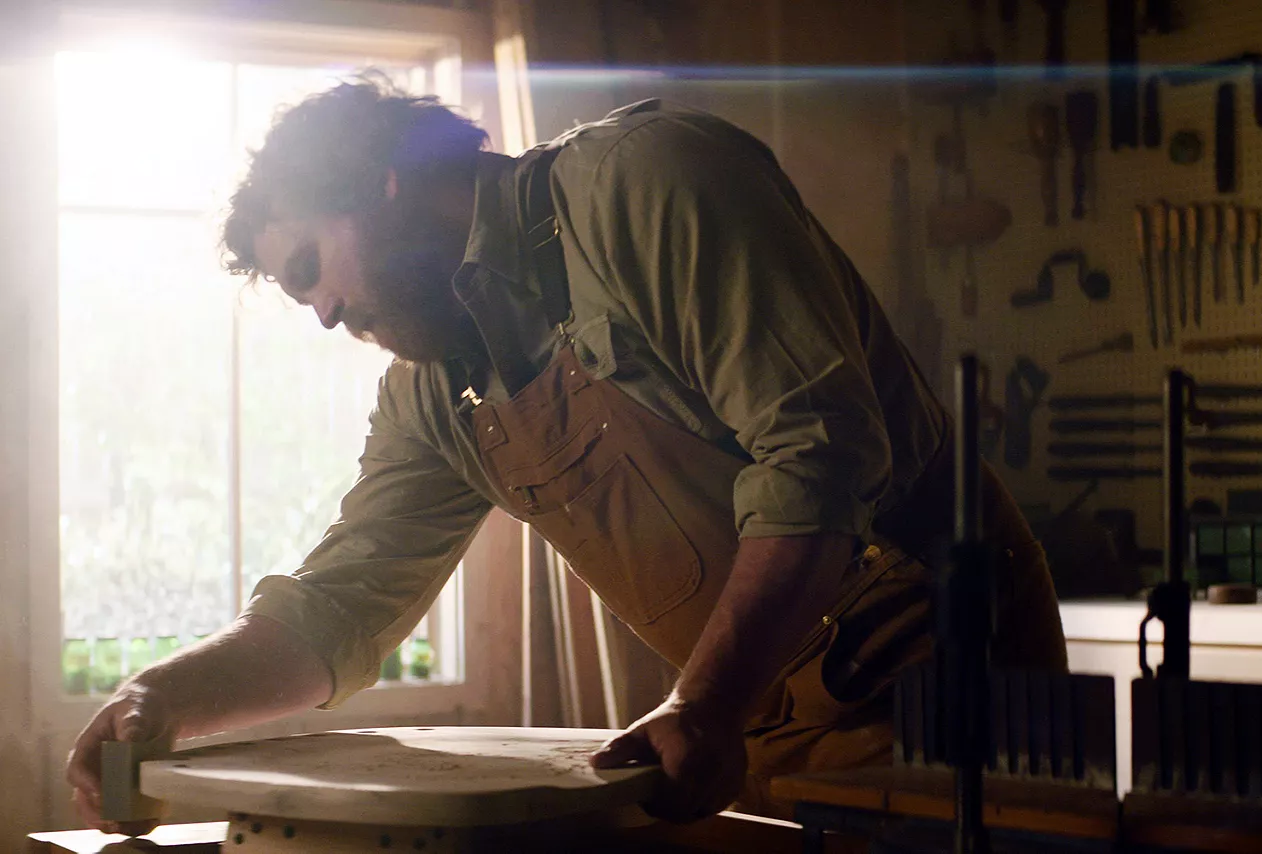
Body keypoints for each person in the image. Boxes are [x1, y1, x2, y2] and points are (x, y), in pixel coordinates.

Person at [67, 76, 1068, 834]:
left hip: (945, 679)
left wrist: (702, 701)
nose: (323, 313)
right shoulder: (435, 390)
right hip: (747, 724)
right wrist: (163, 696)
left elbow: (817, 450)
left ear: (381, 185)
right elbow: (340, 608)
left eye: (309, 270)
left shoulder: (649, 183)